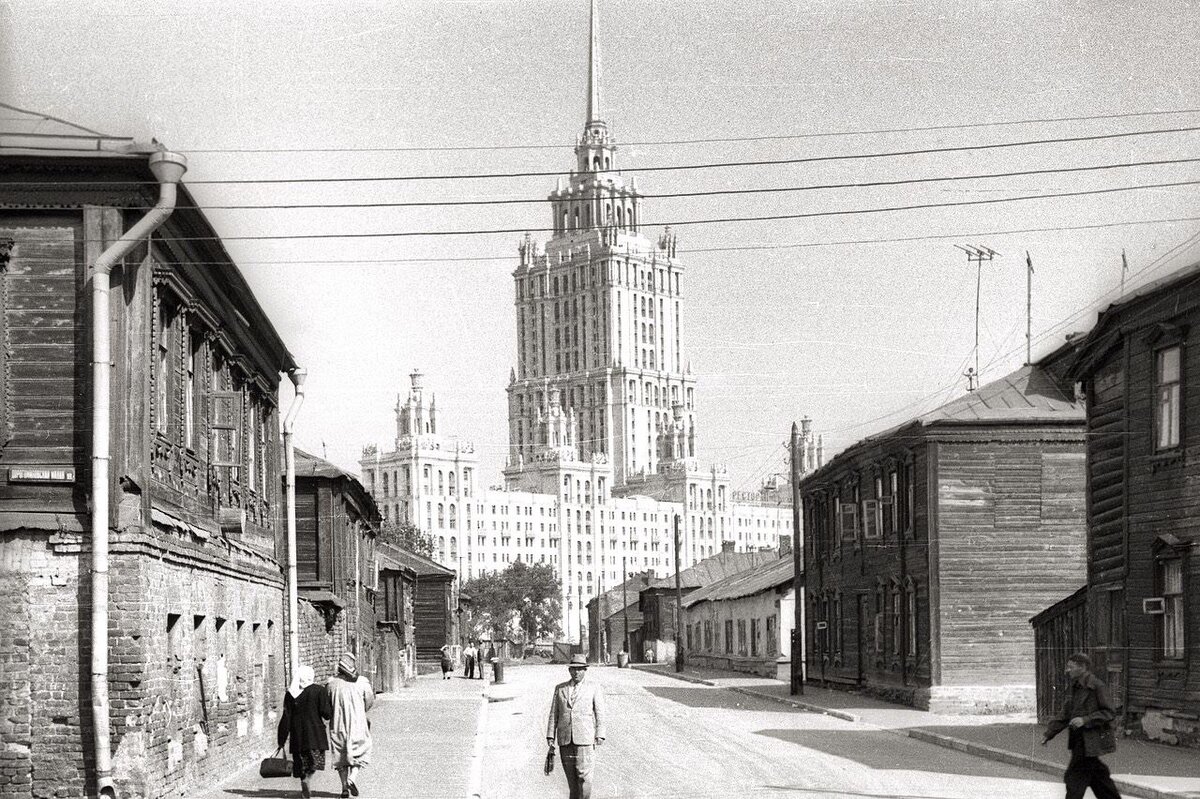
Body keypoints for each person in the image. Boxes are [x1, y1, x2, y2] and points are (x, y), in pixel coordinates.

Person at [1041, 652, 1122, 799]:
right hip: (1079, 740)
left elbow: (1109, 712)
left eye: (1071, 667)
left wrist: (1085, 720)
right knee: (1099, 778)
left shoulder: (1096, 686)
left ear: (1082, 667)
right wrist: (1049, 733)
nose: (1067, 670)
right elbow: (1065, 714)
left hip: (1091, 740)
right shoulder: (1075, 687)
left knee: (1074, 778)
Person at [546, 654, 606, 799]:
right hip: (565, 740)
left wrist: (600, 733)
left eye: (580, 669)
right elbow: (554, 713)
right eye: (573, 669)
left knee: (584, 778)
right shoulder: (560, 689)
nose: (576, 672)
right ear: (569, 670)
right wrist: (550, 735)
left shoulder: (593, 688)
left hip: (585, 739)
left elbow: (600, 712)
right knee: (571, 781)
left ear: (585, 670)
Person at [276, 664, 331, 799]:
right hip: (315, 735)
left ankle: (303, 781)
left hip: (297, 736)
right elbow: (326, 713)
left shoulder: (291, 693)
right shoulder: (319, 690)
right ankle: (308, 778)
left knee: (301, 762)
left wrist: (281, 740)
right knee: (314, 762)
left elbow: (286, 717)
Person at [328, 652, 374, 798]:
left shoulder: (331, 684)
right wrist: (361, 710)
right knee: (361, 750)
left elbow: (328, 704)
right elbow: (369, 701)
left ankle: (344, 788)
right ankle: (352, 778)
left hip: (338, 723)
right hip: (358, 722)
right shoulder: (362, 682)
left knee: (341, 755)